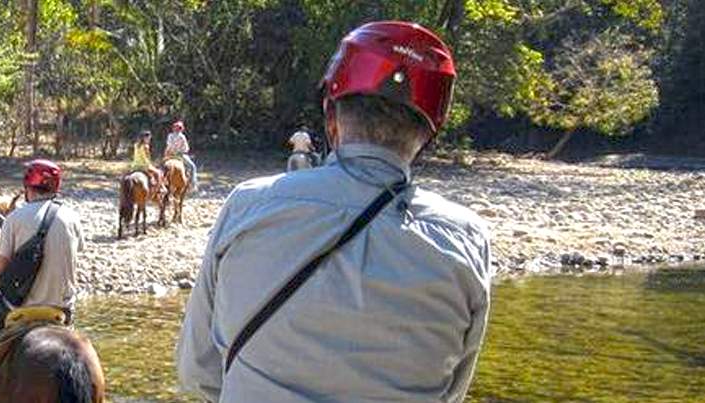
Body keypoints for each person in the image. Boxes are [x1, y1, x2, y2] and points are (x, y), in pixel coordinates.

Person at [175, 21, 492, 403]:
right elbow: (452, 393)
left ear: (331, 118)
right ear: (427, 136)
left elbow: (198, 371)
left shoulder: (249, 205)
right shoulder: (467, 239)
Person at [0, 159, 84, 403]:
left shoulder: (15, 218)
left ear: (27, 187)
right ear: (56, 187)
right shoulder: (72, 217)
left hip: (20, 307)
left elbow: (0, 270)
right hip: (62, 309)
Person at [163, 120, 198, 192]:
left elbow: (168, 146)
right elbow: (186, 148)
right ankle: (192, 184)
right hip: (180, 155)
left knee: (161, 166)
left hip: (170, 155)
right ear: (181, 129)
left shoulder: (170, 136)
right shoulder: (182, 136)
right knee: (192, 167)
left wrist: (166, 154)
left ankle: (161, 183)